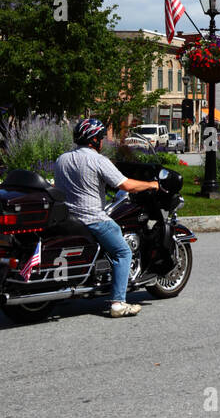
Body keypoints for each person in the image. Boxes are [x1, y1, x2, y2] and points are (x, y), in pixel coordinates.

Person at [53, 118, 159, 318]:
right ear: (95, 140)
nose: (102, 141)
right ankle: (118, 302)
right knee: (123, 252)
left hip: (68, 219)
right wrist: (151, 185)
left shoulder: (62, 159)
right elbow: (126, 185)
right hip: (93, 219)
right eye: (101, 138)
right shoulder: (98, 160)